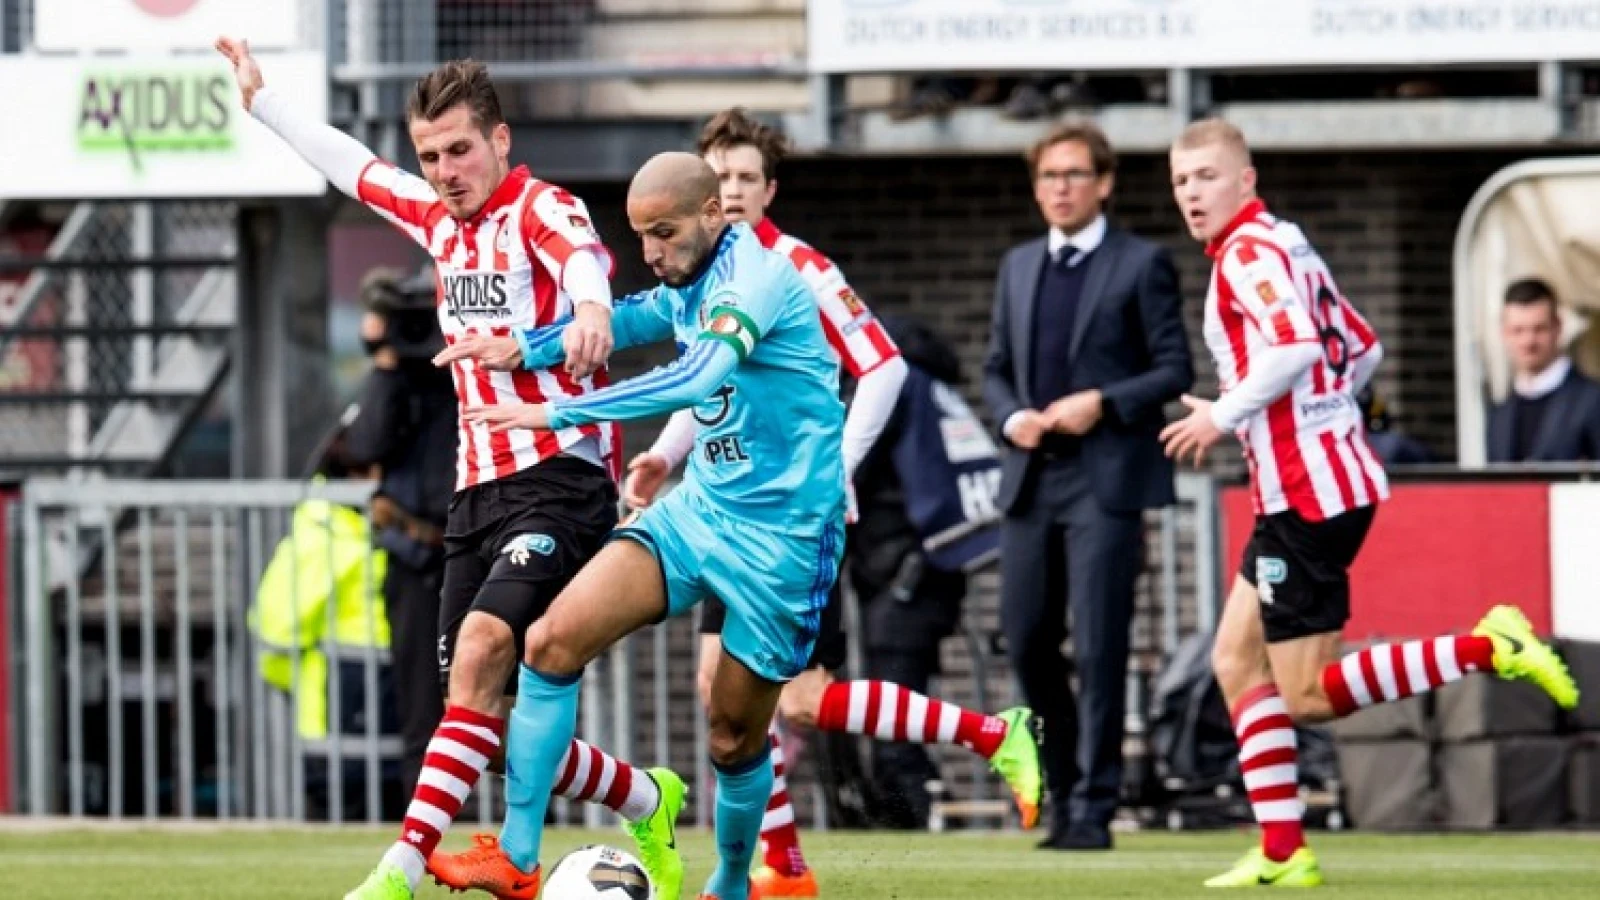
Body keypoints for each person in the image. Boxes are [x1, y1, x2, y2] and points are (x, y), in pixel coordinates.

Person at [214, 37, 687, 900]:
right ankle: (646, 797)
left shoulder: (543, 208)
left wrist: (588, 309)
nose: (444, 170)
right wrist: (262, 101)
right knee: (479, 723)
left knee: (483, 648)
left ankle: (397, 874)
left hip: (561, 479)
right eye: (431, 155)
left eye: (460, 150)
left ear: (500, 141)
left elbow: (586, 260)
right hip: (475, 494)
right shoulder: (434, 219)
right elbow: (351, 165)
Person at [619, 108, 1038, 899]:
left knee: (792, 699)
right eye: (720, 175)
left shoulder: (797, 268)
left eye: (745, 177)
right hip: (722, 512)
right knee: (739, 693)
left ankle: (987, 736)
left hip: (788, 520)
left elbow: (885, 368)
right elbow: (707, 390)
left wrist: (834, 467)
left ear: (765, 190)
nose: (731, 190)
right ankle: (783, 866)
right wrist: (662, 456)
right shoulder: (695, 280)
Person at [1161, 117, 1579, 887]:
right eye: (1182, 180)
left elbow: (1294, 349)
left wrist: (1225, 414)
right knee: (1232, 658)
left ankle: (1490, 645)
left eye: (1208, 177)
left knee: (1309, 695)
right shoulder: (1286, 241)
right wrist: (1322, 417)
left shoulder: (1249, 253)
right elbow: (1362, 347)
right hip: (1312, 482)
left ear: (1246, 180)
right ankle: (1285, 851)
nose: (1193, 193)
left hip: (1305, 496)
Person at [434, 151, 847, 900]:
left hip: (784, 539)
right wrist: (524, 347)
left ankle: (730, 882)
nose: (651, 253)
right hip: (701, 509)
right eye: (640, 236)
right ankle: (518, 857)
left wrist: (558, 408)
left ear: (713, 216)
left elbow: (695, 378)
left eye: (664, 233)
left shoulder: (754, 280)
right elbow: (624, 322)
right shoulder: (683, 285)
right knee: (549, 641)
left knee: (732, 734)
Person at [983, 121, 1193, 851]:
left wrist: (1102, 401)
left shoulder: (1142, 264)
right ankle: (1064, 786)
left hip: (1107, 478)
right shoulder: (1015, 266)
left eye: (1074, 174)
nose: (1060, 188)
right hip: (1031, 478)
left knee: (1102, 647)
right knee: (1027, 639)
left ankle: (1096, 808)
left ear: (1103, 183)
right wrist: (1011, 416)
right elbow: (995, 367)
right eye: (1048, 176)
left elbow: (1176, 370)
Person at [342, 266, 456, 798]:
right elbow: (364, 447)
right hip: (415, 556)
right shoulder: (395, 377)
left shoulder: (471, 366)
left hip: (477, 551)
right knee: (418, 703)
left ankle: (524, 823)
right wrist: (384, 362)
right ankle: (422, 834)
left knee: (503, 696)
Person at [1486, 278, 1600, 463]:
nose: (1528, 342)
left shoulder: (1592, 401)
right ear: (1504, 333)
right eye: (1518, 330)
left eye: (1539, 329)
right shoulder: (1499, 414)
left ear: (1558, 328)